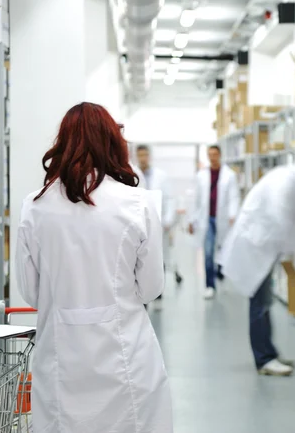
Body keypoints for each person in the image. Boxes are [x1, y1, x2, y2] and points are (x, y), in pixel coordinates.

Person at [16, 103, 172, 433]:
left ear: (63, 142)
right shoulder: (138, 202)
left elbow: (31, 292)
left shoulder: (34, 206)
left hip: (60, 357)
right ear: (113, 143)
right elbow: (151, 288)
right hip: (126, 354)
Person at [219, 158, 295, 377]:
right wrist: (291, 252)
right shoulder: (286, 182)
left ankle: (269, 353)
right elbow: (280, 219)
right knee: (259, 303)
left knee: (264, 302)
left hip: (265, 248)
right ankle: (264, 360)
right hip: (256, 246)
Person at [188, 145, 239, 299]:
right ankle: (210, 285)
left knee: (223, 249)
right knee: (208, 252)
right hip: (206, 219)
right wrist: (191, 220)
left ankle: (220, 272)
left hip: (223, 218)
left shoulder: (229, 175)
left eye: (215, 154)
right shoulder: (201, 175)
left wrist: (232, 214)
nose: (212, 157)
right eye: (209, 154)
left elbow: (234, 197)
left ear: (220, 155)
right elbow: (195, 199)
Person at [136, 145, 182, 286]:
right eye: (140, 155)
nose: (143, 158)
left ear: (149, 156)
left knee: (159, 256)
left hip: (159, 223)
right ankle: (145, 287)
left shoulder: (161, 176)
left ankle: (158, 290)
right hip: (139, 223)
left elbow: (169, 198)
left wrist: (168, 220)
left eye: (145, 155)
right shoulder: (133, 174)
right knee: (141, 258)